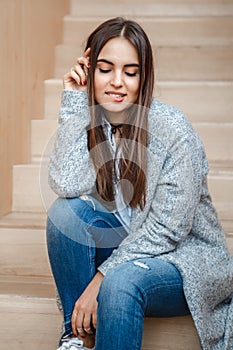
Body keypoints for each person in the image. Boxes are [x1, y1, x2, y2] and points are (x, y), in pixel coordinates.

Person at [46, 17, 233, 350]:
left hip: (181, 260)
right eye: (105, 69)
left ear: (143, 78)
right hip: (127, 245)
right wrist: (74, 103)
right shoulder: (95, 121)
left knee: (120, 282)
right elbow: (65, 183)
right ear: (90, 73)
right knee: (64, 216)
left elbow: (168, 230)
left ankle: (97, 308)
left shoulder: (173, 130)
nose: (117, 82)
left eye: (130, 72)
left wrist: (99, 280)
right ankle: (75, 338)